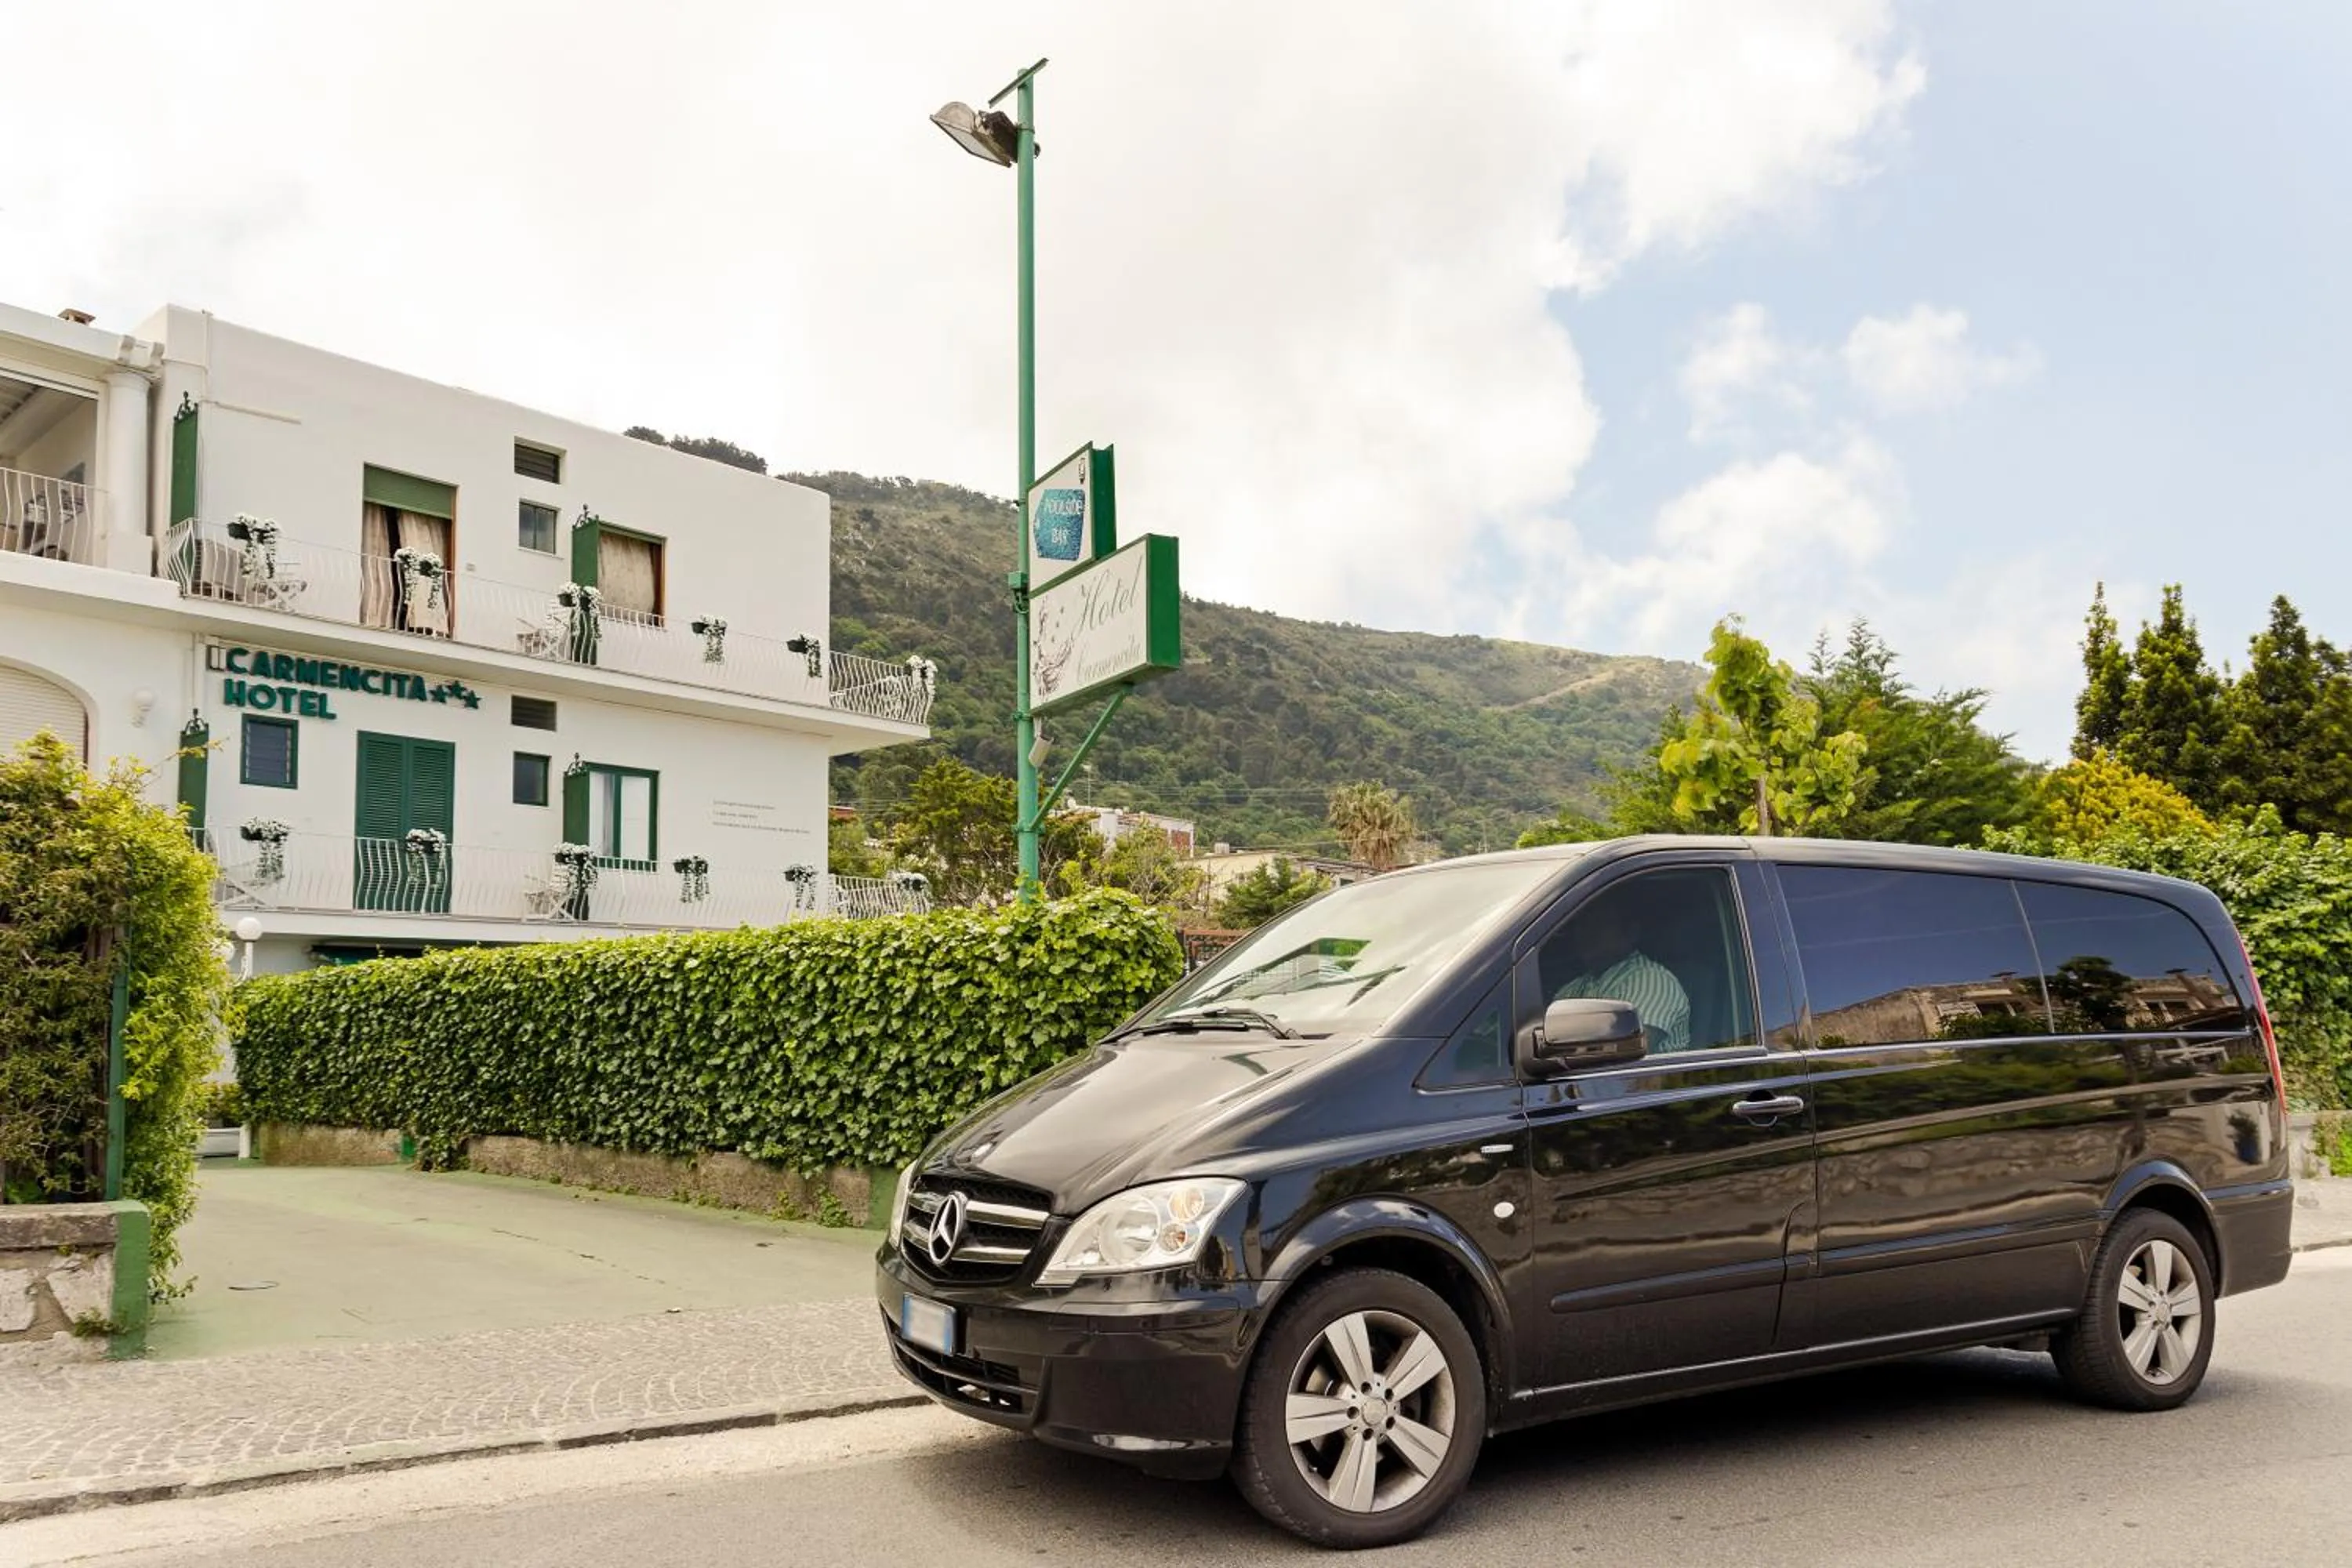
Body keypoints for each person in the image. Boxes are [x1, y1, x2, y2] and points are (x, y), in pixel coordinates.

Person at [1548, 898, 1691, 1054]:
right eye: (1582, 924)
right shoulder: (1574, 987)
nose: (1587, 933)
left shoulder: (1652, 980)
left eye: (1600, 924)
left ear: (1631, 933)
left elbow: (1629, 1052)